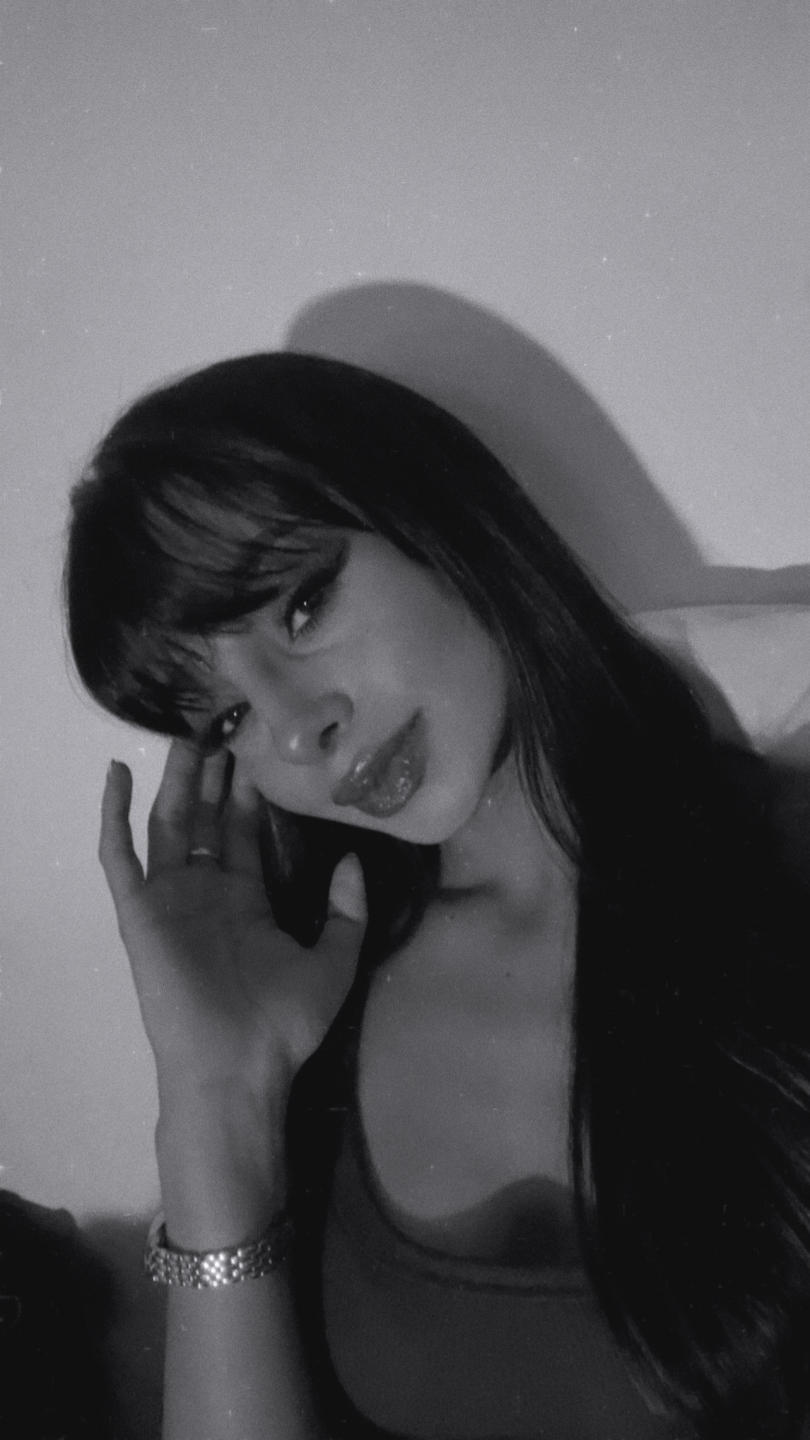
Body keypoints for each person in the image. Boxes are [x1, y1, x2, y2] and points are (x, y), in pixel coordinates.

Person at [64, 353, 810, 1440]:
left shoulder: (781, 862)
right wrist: (217, 1104)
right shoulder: (313, 1006)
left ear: (435, 513)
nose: (296, 729)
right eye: (225, 718)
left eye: (303, 605)